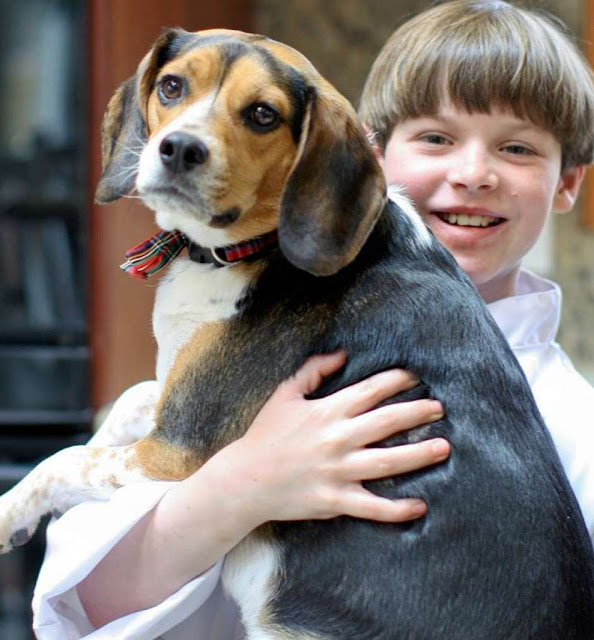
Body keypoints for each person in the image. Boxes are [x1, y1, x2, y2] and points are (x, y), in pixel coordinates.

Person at [32, 1, 594, 638]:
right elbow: (83, 602)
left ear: (568, 182)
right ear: (367, 162)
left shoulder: (582, 430)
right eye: (435, 138)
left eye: (517, 148)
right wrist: (246, 483)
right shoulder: (240, 338)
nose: (471, 175)